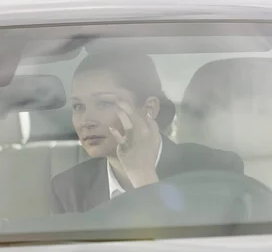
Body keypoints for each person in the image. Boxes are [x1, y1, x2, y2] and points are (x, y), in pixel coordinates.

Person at [50, 51, 244, 214]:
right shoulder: (69, 188)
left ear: (149, 108)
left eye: (104, 103)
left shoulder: (216, 170)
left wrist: (141, 175)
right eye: (78, 107)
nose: (86, 121)